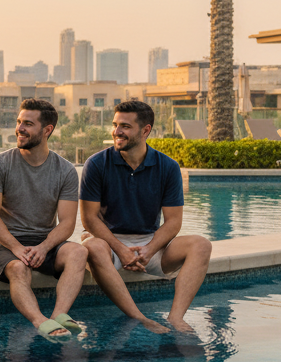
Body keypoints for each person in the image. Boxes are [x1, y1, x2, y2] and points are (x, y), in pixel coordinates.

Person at [80, 100, 212, 332]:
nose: (117, 131)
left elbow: (173, 222)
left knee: (201, 245)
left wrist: (149, 250)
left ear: (145, 130)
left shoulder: (168, 167)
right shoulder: (96, 164)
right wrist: (121, 250)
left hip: (150, 243)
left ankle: (176, 318)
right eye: (115, 125)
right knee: (92, 246)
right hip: (108, 243)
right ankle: (139, 317)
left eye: (125, 126)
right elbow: (89, 219)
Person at [0, 99, 90, 339]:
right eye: (19, 122)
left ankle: (59, 315)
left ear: (47, 130)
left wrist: (44, 247)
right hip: (5, 241)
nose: (19, 128)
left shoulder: (65, 170)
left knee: (79, 252)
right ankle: (40, 321)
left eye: (28, 124)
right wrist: (16, 247)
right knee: (18, 268)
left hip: (45, 242)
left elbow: (67, 223)